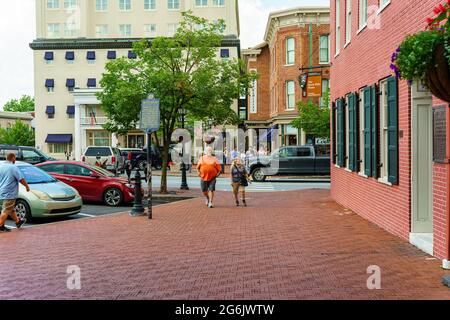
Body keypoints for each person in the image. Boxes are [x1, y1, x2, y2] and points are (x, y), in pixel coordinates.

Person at [0, 153, 30, 232]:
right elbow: (21, 179)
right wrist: (27, 186)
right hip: (10, 192)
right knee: (6, 209)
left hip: (2, 190)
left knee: (10, 208)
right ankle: (0, 226)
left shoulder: (1, 166)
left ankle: (18, 222)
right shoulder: (13, 167)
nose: (15, 160)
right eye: (15, 158)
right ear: (13, 158)